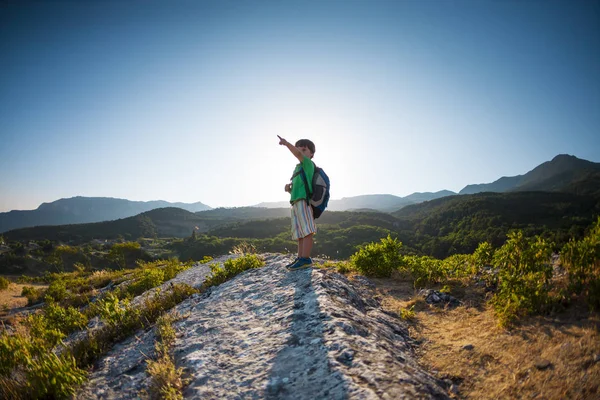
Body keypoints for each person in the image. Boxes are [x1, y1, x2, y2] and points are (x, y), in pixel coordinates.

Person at [278, 135, 317, 270]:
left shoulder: (308, 164)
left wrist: (287, 143)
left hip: (303, 202)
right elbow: (300, 188)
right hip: (295, 202)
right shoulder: (298, 168)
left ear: (311, 154)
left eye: (304, 150)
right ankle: (300, 258)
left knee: (307, 231)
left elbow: (298, 154)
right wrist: (289, 190)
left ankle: (306, 258)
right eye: (299, 148)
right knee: (300, 233)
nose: (300, 151)